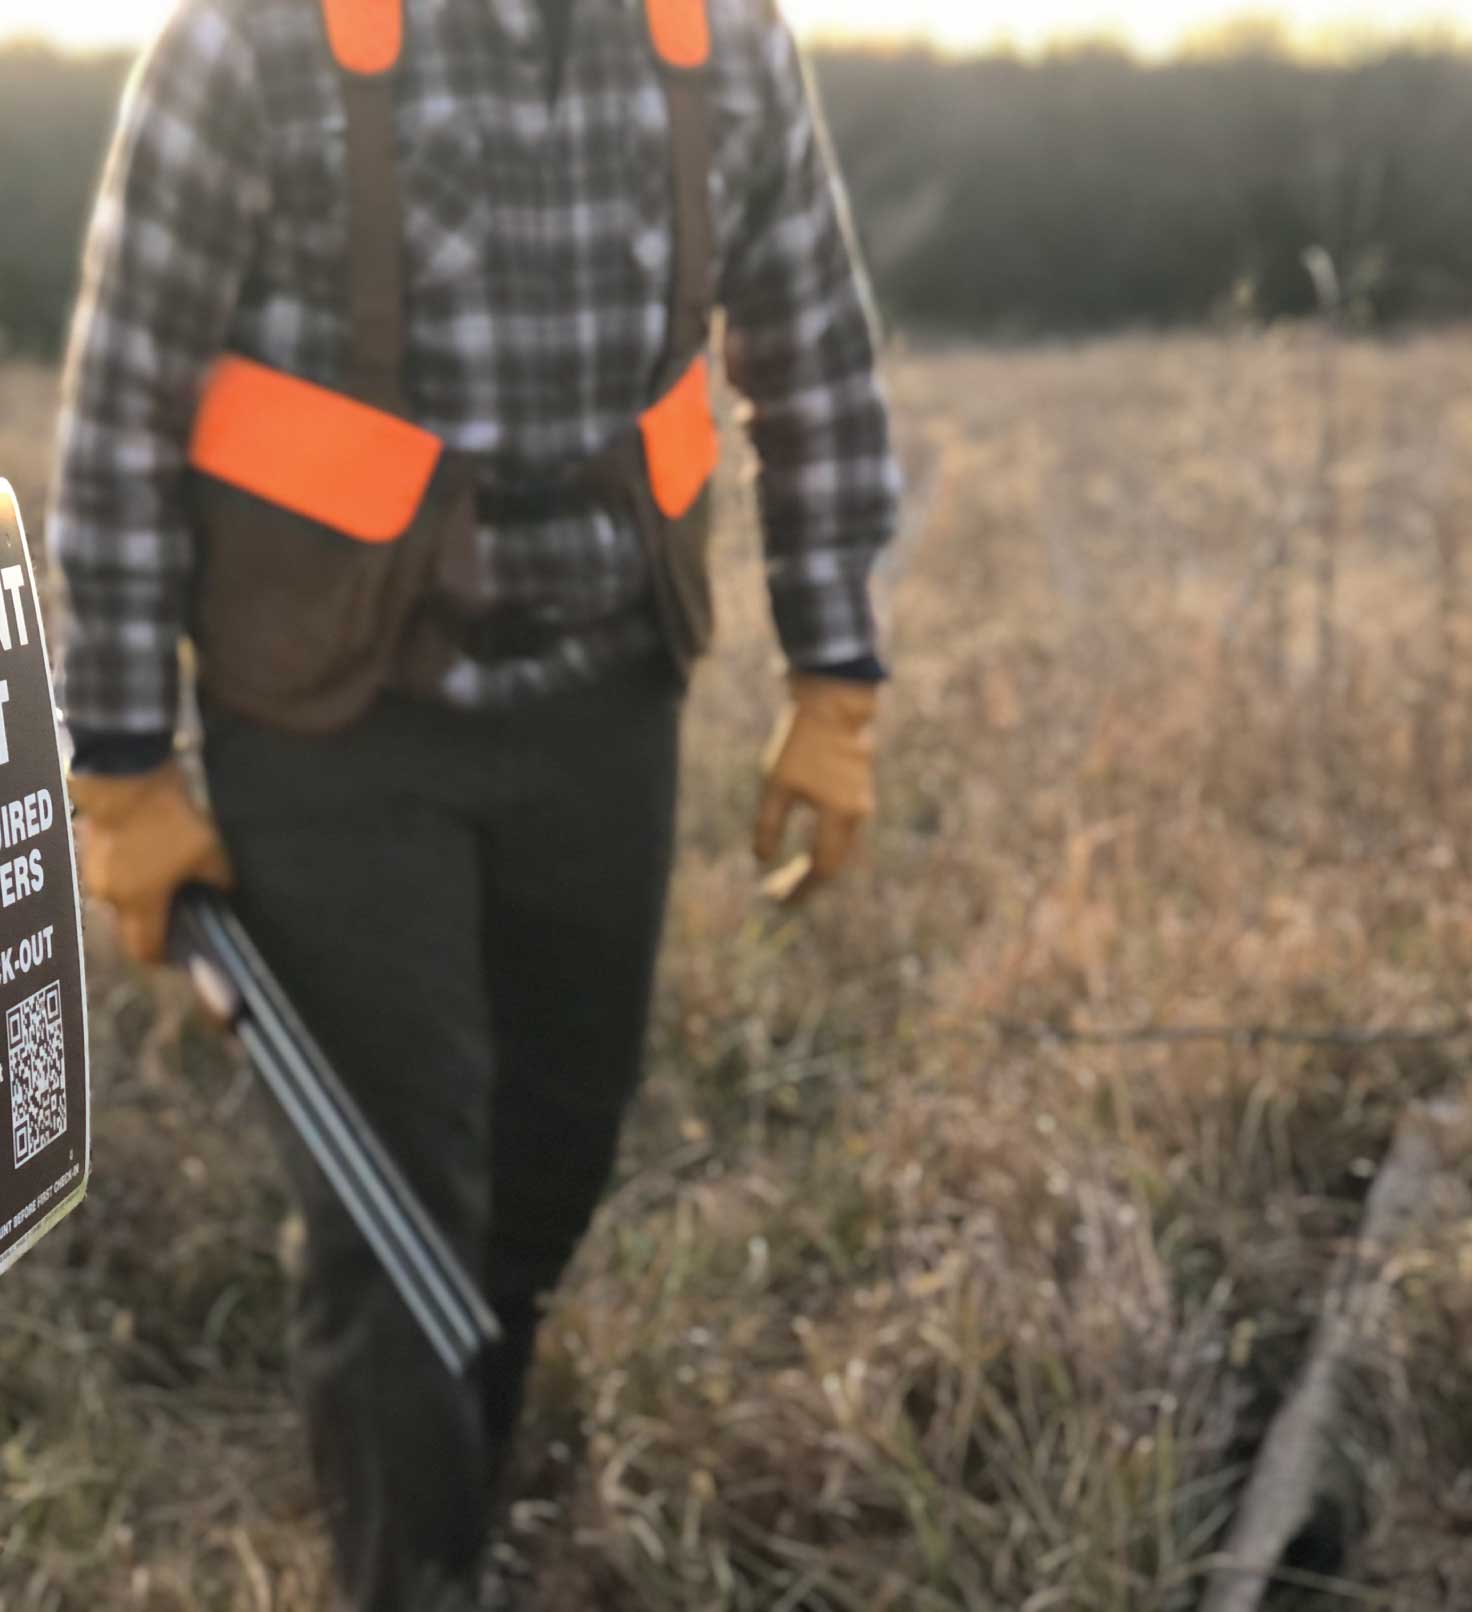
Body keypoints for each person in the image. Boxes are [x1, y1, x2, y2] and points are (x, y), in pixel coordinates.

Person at [48, 0, 901, 1603]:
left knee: (547, 1172)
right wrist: (124, 763)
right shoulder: (249, 43)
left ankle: (459, 1508)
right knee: (395, 1216)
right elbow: (120, 416)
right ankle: (414, 1575)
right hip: (334, 724)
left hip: (605, 700)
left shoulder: (724, 37)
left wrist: (835, 677)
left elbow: (814, 355)